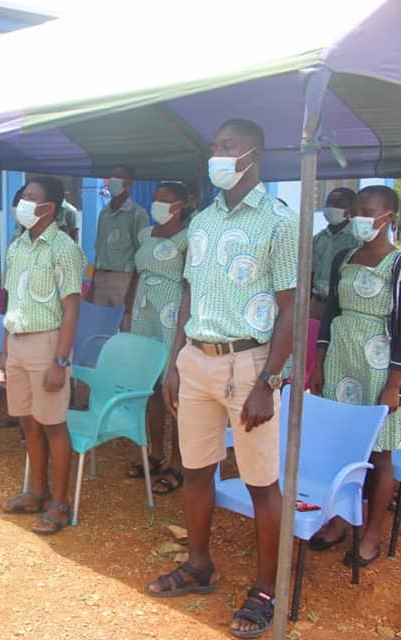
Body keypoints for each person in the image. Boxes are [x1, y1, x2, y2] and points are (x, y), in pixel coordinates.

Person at [146, 119, 296, 639]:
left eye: (227, 147)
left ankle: (266, 590)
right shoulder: (204, 221)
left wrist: (268, 381)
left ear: (254, 154)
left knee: (261, 483)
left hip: (248, 364)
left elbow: (292, 307)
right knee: (195, 471)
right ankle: (199, 565)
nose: (217, 155)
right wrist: (176, 362)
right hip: (197, 359)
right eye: (214, 147)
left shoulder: (279, 221)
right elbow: (188, 294)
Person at [308, 185, 401, 567]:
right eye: (357, 210)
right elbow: (331, 311)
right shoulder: (343, 258)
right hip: (340, 360)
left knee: (378, 452)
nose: (359, 217)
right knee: (339, 445)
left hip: (378, 367)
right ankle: (337, 521)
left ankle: (372, 533)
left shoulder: (397, 264)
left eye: (368, 211)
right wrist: (319, 361)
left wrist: (395, 383)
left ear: (388, 217)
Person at [0, 176, 85, 535]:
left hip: (47, 344)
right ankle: (36, 490)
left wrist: (60, 361)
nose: (23, 201)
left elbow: (72, 308)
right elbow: (12, 301)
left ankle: (60, 504)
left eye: (31, 197)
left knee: (53, 424)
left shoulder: (63, 248)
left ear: (48, 207)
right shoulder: (17, 246)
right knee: (27, 422)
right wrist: (5, 351)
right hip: (17, 341)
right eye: (23, 195)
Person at [124, 181, 189, 495]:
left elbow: (190, 285)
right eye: (155, 198)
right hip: (143, 314)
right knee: (150, 388)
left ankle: (178, 462)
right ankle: (155, 453)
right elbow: (136, 275)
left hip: (171, 317)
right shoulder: (145, 235)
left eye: (165, 200)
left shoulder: (187, 238)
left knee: (173, 390)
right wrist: (128, 310)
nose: (157, 204)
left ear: (180, 206)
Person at [86, 165, 149, 331]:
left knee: (125, 325)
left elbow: (141, 255)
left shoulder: (137, 214)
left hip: (124, 279)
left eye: (119, 177)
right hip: (101, 278)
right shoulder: (104, 213)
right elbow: (99, 250)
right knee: (99, 327)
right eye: (112, 177)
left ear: (129, 183)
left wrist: (133, 290)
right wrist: (92, 285)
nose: (113, 181)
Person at [310, 187, 359, 319]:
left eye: (339, 203)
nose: (332, 207)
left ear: (350, 209)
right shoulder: (318, 239)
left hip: (342, 305)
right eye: (329, 202)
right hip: (316, 302)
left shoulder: (356, 239)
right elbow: (311, 272)